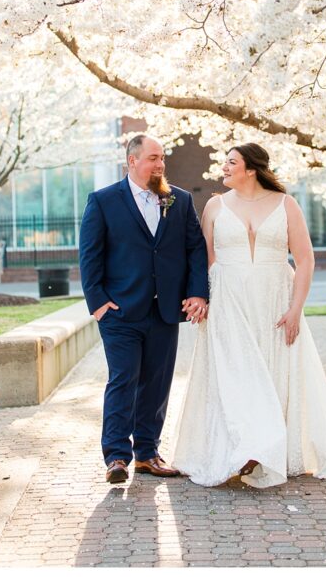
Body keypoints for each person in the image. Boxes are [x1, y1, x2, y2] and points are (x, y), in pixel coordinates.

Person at [171, 143, 326, 487]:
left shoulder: (286, 204)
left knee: (271, 370)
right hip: (227, 300)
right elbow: (201, 259)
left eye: (231, 162)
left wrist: (296, 309)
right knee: (234, 374)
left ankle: (266, 448)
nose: (224, 167)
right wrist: (199, 297)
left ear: (251, 169)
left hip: (274, 299)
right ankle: (245, 448)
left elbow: (305, 259)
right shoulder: (216, 206)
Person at [79, 134, 209, 484]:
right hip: (120, 311)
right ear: (132, 161)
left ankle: (148, 454)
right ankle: (117, 457)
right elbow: (89, 256)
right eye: (153, 158)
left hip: (165, 310)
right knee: (124, 378)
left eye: (162, 158)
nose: (160, 164)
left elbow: (196, 249)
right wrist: (98, 304)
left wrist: (198, 293)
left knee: (157, 383)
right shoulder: (104, 201)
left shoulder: (178, 200)